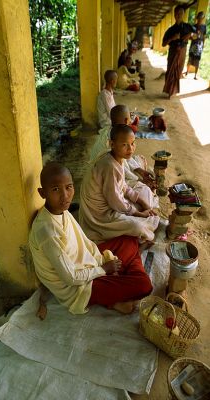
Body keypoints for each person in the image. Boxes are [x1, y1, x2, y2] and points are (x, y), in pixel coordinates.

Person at [29, 162, 152, 316]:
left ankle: (124, 273)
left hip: (88, 263)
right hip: (78, 289)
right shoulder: (47, 232)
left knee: (129, 240)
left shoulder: (61, 211)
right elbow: (71, 278)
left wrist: (101, 260)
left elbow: (86, 243)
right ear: (42, 193)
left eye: (69, 187)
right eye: (55, 189)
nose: (65, 195)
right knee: (144, 285)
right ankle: (120, 284)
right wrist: (104, 269)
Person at [80, 125, 160, 244]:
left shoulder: (117, 158)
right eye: (124, 145)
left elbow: (123, 186)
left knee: (145, 190)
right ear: (112, 144)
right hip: (100, 215)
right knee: (136, 226)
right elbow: (114, 201)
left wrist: (142, 203)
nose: (130, 149)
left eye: (133, 143)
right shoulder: (109, 166)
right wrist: (138, 213)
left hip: (113, 203)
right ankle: (139, 235)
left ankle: (142, 222)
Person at [89, 105, 156, 191]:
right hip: (102, 177)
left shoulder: (110, 131)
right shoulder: (113, 141)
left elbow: (125, 157)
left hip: (99, 170)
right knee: (140, 188)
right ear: (126, 120)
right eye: (129, 119)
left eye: (132, 144)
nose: (131, 148)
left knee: (138, 159)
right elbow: (121, 168)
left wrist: (140, 171)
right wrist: (140, 180)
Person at [162, 5, 194, 98]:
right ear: (174, 15)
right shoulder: (170, 30)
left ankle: (173, 90)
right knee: (170, 71)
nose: (179, 15)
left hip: (182, 51)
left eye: (181, 13)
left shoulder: (188, 27)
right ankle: (169, 91)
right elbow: (163, 44)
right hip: (173, 51)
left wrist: (190, 35)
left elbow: (196, 36)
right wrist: (172, 38)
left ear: (184, 14)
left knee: (178, 71)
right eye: (177, 13)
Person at [185, 11, 207, 80]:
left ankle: (195, 75)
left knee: (197, 60)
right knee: (190, 58)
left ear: (203, 18)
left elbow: (204, 37)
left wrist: (203, 44)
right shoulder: (193, 26)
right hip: (193, 45)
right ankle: (187, 72)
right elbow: (190, 37)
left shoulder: (204, 27)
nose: (200, 19)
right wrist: (193, 37)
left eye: (201, 18)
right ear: (197, 18)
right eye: (199, 18)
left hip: (199, 46)